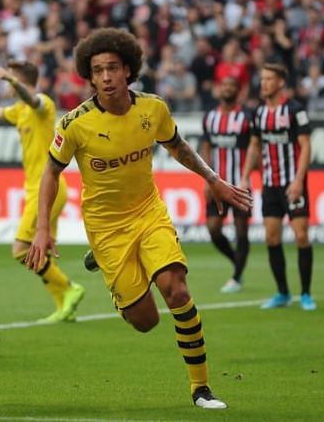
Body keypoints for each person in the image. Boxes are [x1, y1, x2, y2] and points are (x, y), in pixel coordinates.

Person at [25, 28, 253, 411]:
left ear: (128, 70)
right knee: (145, 320)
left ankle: (201, 389)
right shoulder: (74, 124)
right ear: (90, 76)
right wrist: (43, 229)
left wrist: (213, 180)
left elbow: (178, 147)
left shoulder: (153, 109)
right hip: (106, 227)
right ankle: (106, 263)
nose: (106, 77)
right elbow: (50, 172)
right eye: (98, 71)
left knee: (177, 290)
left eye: (113, 68)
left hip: (148, 212)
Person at [0, 60, 85, 323]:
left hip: (49, 189)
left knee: (21, 249)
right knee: (41, 252)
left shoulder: (42, 104)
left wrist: (11, 81)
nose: (8, 85)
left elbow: (32, 98)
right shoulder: (19, 111)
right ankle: (63, 307)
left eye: (13, 78)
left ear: (21, 80)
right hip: (38, 190)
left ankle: (69, 288)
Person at [242, 63, 316, 311]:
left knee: (301, 235)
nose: (264, 83)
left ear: (281, 82)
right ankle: (283, 292)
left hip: (292, 184)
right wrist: (245, 177)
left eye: (269, 79)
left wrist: (298, 180)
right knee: (272, 237)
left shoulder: (295, 110)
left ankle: (306, 293)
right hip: (270, 185)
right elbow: (254, 146)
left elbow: (305, 146)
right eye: (262, 79)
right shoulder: (258, 113)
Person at [199, 76, 252, 293]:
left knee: (241, 232)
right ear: (219, 90)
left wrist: (247, 175)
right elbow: (206, 147)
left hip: (239, 184)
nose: (227, 89)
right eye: (224, 86)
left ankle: (237, 277)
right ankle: (236, 262)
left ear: (238, 91)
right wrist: (207, 178)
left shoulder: (246, 117)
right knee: (213, 228)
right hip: (217, 185)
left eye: (232, 86)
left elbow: (254, 148)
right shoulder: (210, 117)